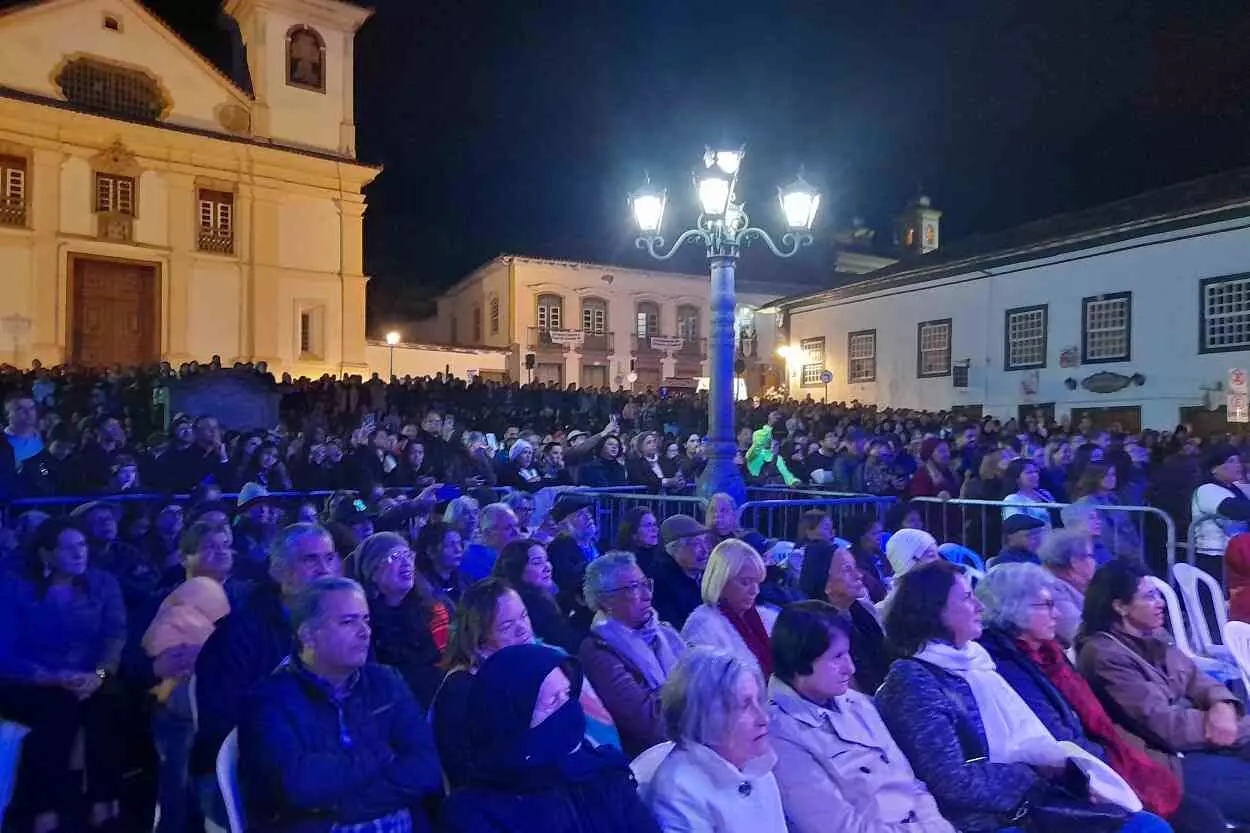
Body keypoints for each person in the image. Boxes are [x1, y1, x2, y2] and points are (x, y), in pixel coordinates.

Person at [875, 561, 1165, 833]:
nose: (978, 606)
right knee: (1146, 827)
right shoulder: (914, 681)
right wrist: (1033, 773)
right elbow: (954, 784)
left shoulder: (975, 662)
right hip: (990, 821)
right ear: (935, 611)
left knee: (1147, 819)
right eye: (966, 598)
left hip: (1026, 802)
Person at [976, 564, 1224, 833]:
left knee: (1203, 812)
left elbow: (1197, 679)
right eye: (1046, 606)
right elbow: (1059, 739)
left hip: (1123, 754)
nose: (1057, 614)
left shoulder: (1050, 655)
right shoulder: (1019, 665)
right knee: (1199, 817)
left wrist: (1222, 704)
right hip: (1095, 770)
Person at [238, 577, 443, 832]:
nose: (364, 631)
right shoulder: (270, 699)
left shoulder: (386, 682)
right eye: (348, 622)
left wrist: (349, 807)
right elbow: (300, 786)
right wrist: (381, 754)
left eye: (365, 620)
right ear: (308, 635)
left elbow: (426, 768)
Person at [191, 523, 343, 827]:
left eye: (329, 558)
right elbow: (222, 722)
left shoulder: (346, 623)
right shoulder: (239, 633)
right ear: (278, 571)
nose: (324, 569)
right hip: (259, 773)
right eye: (310, 560)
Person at [1078, 558, 1250, 824]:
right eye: (1149, 597)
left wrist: (1222, 706)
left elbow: (1199, 681)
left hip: (1202, 739)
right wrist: (1229, 726)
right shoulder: (1104, 655)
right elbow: (1163, 725)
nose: (1160, 602)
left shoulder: (1154, 636)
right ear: (1120, 606)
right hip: (1166, 762)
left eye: (1158, 593)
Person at [767, 601, 955, 833]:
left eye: (848, 654)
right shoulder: (778, 732)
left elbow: (912, 784)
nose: (850, 668)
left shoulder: (857, 702)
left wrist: (937, 826)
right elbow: (838, 827)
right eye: (837, 657)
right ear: (800, 659)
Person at [437, 644, 661, 833]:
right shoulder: (471, 815)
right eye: (552, 701)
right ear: (513, 718)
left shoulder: (603, 772)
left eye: (567, 693)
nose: (570, 709)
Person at [0, 517, 127, 833]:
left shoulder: (103, 584)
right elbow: (6, 651)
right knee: (58, 709)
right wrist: (52, 676)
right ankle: (45, 809)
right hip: (29, 679)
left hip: (89, 676)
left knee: (113, 702)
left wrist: (98, 675)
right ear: (46, 555)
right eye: (68, 548)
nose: (78, 553)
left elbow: (114, 637)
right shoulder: (17, 588)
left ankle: (103, 801)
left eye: (81, 545)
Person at [641, 648, 788, 833]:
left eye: (759, 700)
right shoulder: (678, 793)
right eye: (744, 706)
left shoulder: (757, 764)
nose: (763, 718)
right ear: (706, 717)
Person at [579, 551, 686, 757]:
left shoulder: (665, 633)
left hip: (689, 742)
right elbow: (650, 724)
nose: (647, 595)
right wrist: (697, 701)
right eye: (633, 588)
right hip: (651, 758)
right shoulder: (598, 650)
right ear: (605, 600)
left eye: (646, 584)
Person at [354, 531, 448, 708]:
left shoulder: (431, 609)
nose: (406, 563)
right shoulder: (362, 621)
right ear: (372, 572)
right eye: (395, 556)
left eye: (408, 554)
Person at [797, 538, 889, 694]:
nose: (858, 575)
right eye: (847, 569)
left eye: (855, 567)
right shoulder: (815, 630)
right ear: (826, 584)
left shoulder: (863, 610)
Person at [681, 539, 777, 679]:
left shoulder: (767, 619)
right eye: (745, 582)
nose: (755, 591)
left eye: (757, 582)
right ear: (721, 580)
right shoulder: (703, 628)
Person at [494, 538, 583, 656]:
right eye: (537, 563)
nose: (547, 567)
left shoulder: (541, 595)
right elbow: (568, 642)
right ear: (516, 569)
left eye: (547, 560)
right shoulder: (529, 602)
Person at [1190, 443, 1250, 581]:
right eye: (1231, 461)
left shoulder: (1234, 489)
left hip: (1235, 555)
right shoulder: (1206, 489)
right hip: (1214, 557)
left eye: (1238, 461)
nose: (1238, 465)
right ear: (1214, 468)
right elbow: (1235, 510)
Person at [1071, 463, 1143, 564]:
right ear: (1095, 478)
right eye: (1107, 475)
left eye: (1113, 474)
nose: (1112, 478)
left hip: (1130, 552)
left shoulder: (1114, 498)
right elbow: (1105, 536)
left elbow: (1128, 526)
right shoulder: (1087, 502)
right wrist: (1128, 553)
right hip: (1109, 557)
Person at [1038, 529, 1098, 645]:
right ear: (1074, 562)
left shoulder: (1080, 585)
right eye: (1091, 556)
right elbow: (1078, 635)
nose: (1094, 562)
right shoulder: (1051, 588)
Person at [652, 514, 712, 630]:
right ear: (674, 549)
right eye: (696, 544)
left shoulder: (704, 575)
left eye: (705, 542)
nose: (705, 550)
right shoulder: (662, 585)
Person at [416, 522, 471, 612]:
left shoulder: (465, 580)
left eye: (459, 544)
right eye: (450, 545)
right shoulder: (422, 587)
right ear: (431, 552)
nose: (458, 550)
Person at [461, 503, 521, 581]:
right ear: (488, 533)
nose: (516, 532)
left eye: (517, 526)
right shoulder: (476, 559)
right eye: (508, 528)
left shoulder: (513, 554)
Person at [842, 512, 891, 603]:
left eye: (881, 532)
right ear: (860, 536)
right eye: (875, 533)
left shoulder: (881, 555)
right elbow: (876, 592)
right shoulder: (853, 561)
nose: (879, 537)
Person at [1001, 457, 1056, 526]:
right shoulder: (1012, 499)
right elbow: (1015, 527)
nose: (1035, 475)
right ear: (1017, 477)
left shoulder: (1045, 494)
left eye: (1036, 472)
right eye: (1029, 472)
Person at [617, 506, 664, 578]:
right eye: (648, 525)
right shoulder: (624, 561)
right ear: (633, 532)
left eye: (654, 524)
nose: (655, 530)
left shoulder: (662, 556)